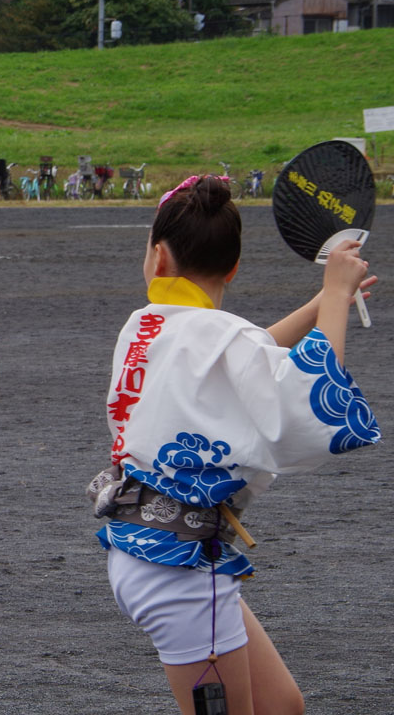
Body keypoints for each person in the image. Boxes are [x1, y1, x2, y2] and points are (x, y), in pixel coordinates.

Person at [88, 175, 380, 715]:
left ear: (157, 256)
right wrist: (336, 295)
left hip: (156, 549)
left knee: (282, 706)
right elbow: (310, 403)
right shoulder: (213, 336)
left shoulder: (145, 325)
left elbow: (237, 358)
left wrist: (320, 303)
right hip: (179, 568)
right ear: (235, 267)